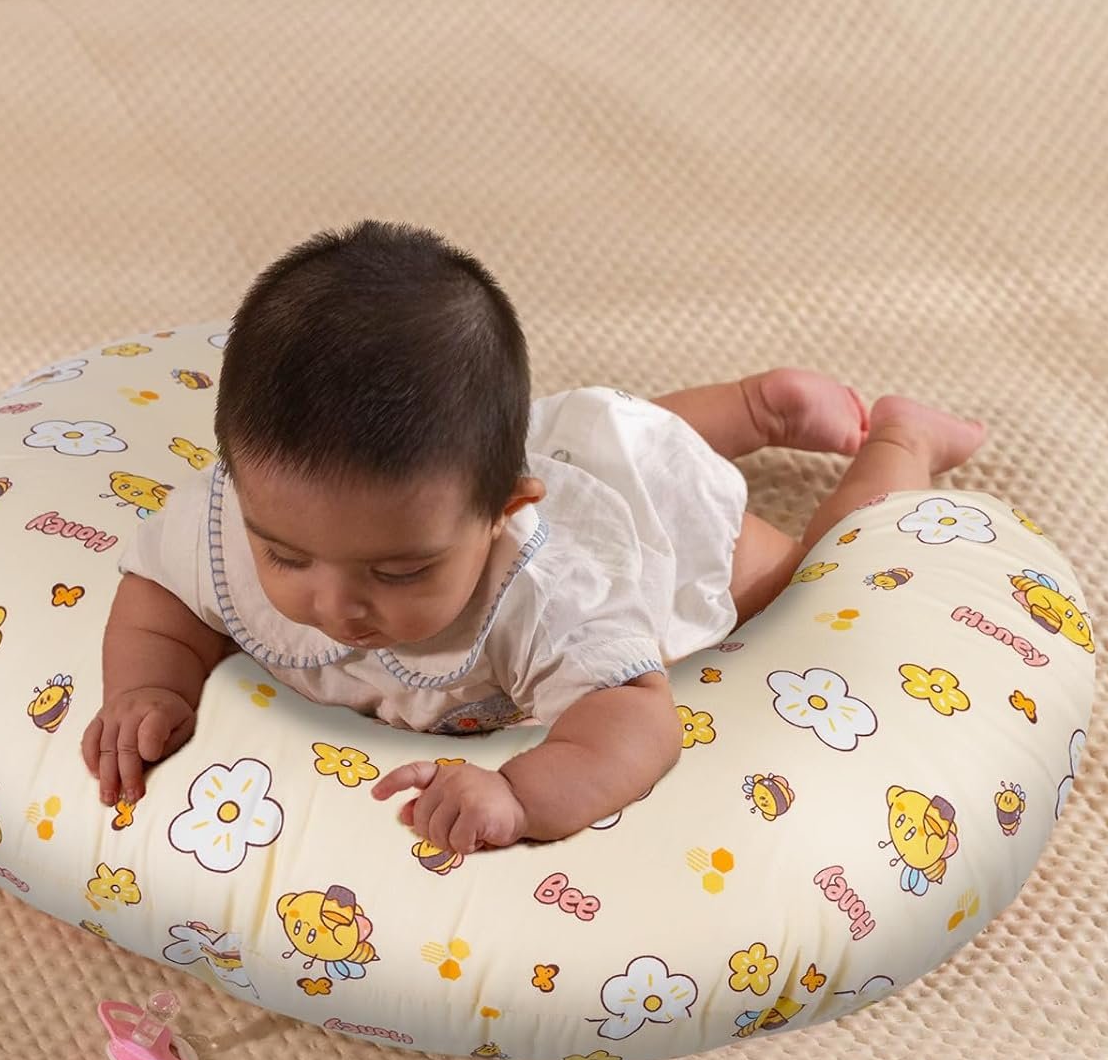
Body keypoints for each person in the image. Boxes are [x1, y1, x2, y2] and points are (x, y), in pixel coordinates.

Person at [81, 219, 984, 854]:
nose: (334, 603)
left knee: (807, 589)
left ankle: (897, 440)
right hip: (524, 464)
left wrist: (519, 793)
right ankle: (758, 406)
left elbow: (636, 724)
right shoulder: (235, 518)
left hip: (659, 542)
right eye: (285, 555)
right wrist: (150, 686)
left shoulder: (557, 598)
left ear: (504, 513)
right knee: (580, 437)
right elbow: (158, 592)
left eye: (399, 571)